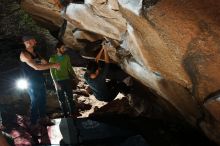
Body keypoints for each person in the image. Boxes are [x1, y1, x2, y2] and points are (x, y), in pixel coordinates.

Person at [20, 35, 60, 130]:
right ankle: (33, 123)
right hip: (30, 82)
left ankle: (43, 118)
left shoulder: (35, 53)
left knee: (42, 99)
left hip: (40, 80)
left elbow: (45, 63)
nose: (36, 42)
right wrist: (54, 65)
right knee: (35, 101)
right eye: (34, 40)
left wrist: (54, 63)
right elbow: (36, 67)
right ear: (28, 42)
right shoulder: (24, 54)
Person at [49, 42, 78, 117]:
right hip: (58, 81)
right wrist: (55, 83)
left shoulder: (66, 57)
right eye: (63, 48)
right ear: (58, 49)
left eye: (65, 48)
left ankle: (73, 114)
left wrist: (75, 77)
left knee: (70, 98)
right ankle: (66, 115)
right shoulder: (53, 58)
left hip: (66, 79)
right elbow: (51, 72)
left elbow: (70, 68)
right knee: (62, 100)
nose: (64, 49)